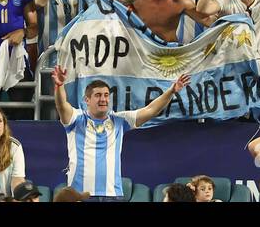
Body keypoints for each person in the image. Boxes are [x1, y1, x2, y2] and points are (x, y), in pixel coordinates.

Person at [51, 65, 190, 200]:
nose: (103, 99)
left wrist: (171, 91)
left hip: (112, 195)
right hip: (78, 194)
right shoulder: (76, 118)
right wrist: (59, 86)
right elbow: (62, 105)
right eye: (98, 95)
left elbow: (151, 110)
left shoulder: (119, 120)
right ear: (87, 100)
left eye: (106, 95)